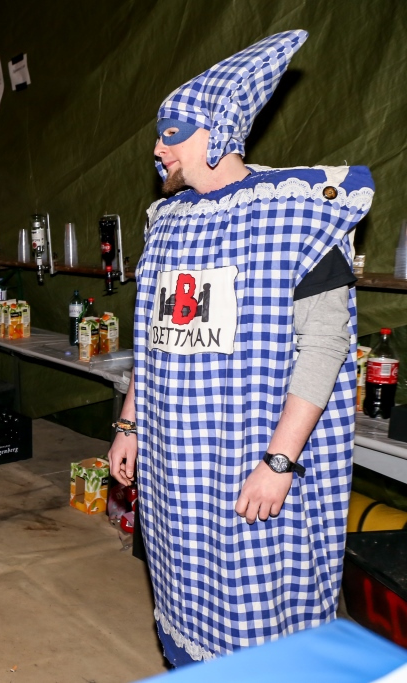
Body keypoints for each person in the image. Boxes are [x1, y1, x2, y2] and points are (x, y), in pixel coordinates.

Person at [108, 31, 374, 665]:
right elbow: (155, 341)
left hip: (254, 459)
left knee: (264, 624)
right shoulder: (167, 222)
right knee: (181, 597)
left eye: (173, 133)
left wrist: (280, 462)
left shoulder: (299, 211)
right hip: (175, 468)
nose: (159, 147)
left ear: (218, 132)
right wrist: (128, 425)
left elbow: (324, 346)